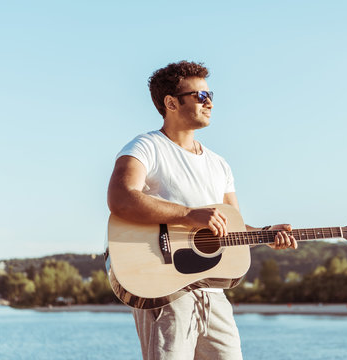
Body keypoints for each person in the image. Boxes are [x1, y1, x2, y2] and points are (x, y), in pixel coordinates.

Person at [107, 60, 297, 360]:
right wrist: (187, 215)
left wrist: (264, 234)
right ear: (171, 103)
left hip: (213, 294)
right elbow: (120, 198)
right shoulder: (146, 147)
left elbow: (231, 225)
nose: (209, 103)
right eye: (200, 96)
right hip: (166, 292)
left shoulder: (219, 164)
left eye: (211, 96)